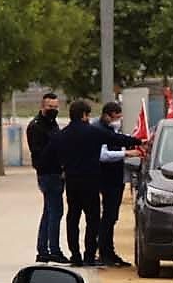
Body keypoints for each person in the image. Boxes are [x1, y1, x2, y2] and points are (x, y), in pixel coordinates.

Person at [49, 99, 144, 267]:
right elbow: (116, 138)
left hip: (72, 182)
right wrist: (138, 141)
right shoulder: (92, 132)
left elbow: (53, 154)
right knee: (92, 219)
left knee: (73, 218)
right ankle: (89, 254)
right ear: (85, 115)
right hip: (91, 180)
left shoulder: (63, 134)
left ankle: (75, 255)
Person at [94, 100, 138, 268]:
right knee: (108, 216)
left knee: (112, 217)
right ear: (107, 115)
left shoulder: (112, 130)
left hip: (115, 179)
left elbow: (119, 140)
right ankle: (104, 252)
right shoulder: (100, 131)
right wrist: (126, 153)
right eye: (116, 117)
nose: (118, 120)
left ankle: (108, 251)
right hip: (107, 180)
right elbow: (103, 155)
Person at [26, 92, 66, 263]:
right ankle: (53, 250)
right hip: (48, 174)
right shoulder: (37, 127)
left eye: (56, 107)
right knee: (55, 212)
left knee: (49, 212)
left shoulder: (52, 124)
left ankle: (43, 250)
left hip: (56, 173)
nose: (53, 110)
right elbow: (39, 154)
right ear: (42, 107)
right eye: (50, 107)